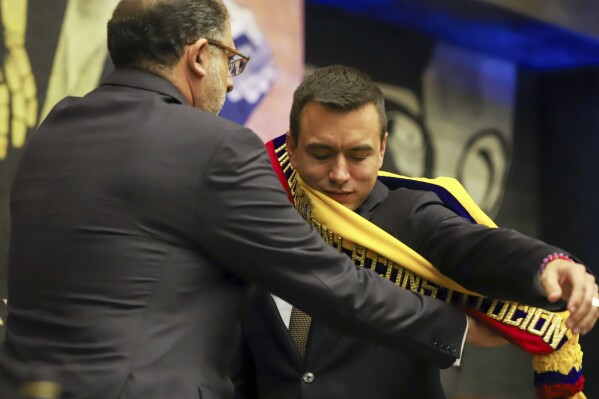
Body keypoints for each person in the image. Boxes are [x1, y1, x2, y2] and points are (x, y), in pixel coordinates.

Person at [233, 65, 599, 399]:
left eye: (358, 156)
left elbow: (472, 246)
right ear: (292, 148)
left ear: (382, 150)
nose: (340, 174)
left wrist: (545, 266)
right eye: (322, 154)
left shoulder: (408, 213)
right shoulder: (260, 216)